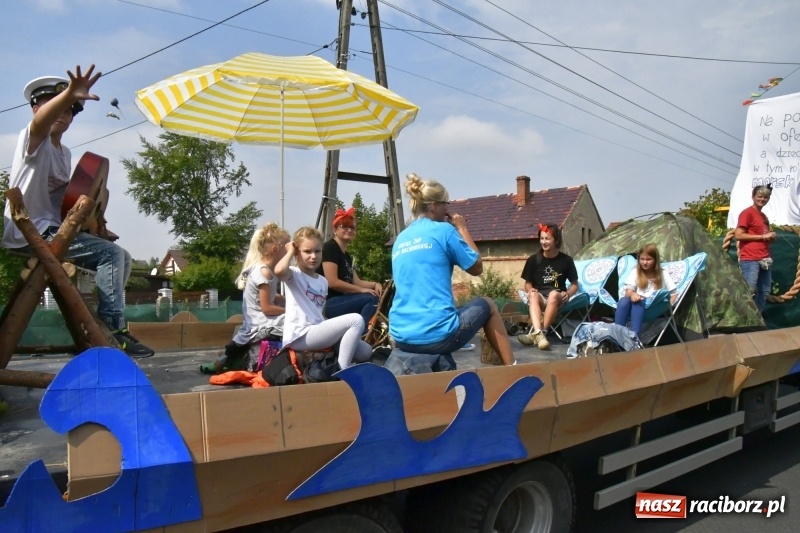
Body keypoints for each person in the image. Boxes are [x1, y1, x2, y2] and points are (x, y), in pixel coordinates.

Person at [3, 65, 153, 357]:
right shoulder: (32, 139)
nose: (63, 113)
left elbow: (71, 201)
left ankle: (109, 328)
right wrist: (70, 92)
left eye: (71, 109)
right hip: (30, 230)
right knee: (111, 255)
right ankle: (113, 328)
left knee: (120, 255)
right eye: (54, 105)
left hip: (52, 228)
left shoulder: (66, 154)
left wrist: (96, 221)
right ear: (36, 108)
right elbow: (40, 125)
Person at [388, 173, 516, 366]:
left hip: (401, 336)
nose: (448, 208)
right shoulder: (444, 231)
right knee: (488, 304)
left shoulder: (401, 238)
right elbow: (477, 267)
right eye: (445, 203)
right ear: (433, 206)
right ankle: (513, 369)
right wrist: (462, 228)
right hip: (437, 336)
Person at [275, 226, 372, 370]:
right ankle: (343, 369)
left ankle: (335, 362)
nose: (313, 256)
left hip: (316, 331)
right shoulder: (294, 274)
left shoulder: (322, 281)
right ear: (297, 252)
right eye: (307, 251)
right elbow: (279, 270)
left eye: (317, 251)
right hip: (300, 335)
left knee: (365, 351)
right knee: (356, 320)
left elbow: (320, 313)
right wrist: (290, 251)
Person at [201, 223, 289, 374]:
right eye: (287, 248)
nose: (289, 253)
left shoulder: (266, 270)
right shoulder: (264, 272)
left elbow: (259, 295)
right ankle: (227, 359)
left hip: (258, 317)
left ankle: (227, 357)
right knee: (293, 320)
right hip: (259, 321)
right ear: (276, 249)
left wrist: (277, 296)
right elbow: (266, 308)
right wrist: (287, 310)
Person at [317, 206, 382, 333]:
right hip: (327, 303)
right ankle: (361, 335)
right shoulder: (330, 248)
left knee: (378, 296)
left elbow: (356, 282)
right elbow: (332, 282)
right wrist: (362, 290)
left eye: (352, 228)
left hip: (341, 300)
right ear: (335, 229)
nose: (349, 230)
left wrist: (375, 284)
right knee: (370, 298)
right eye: (344, 227)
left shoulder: (346, 255)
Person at [518, 223, 579, 350]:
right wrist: (530, 289)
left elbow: (574, 285)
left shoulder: (566, 260)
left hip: (557, 298)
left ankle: (540, 333)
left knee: (553, 294)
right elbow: (527, 284)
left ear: (556, 240)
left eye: (547, 239)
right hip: (540, 297)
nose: (543, 242)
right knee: (533, 295)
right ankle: (540, 335)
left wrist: (567, 293)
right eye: (541, 238)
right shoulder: (533, 260)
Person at [614, 243, 677, 335]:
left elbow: (674, 294)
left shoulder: (663, 274)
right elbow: (628, 292)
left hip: (653, 308)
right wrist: (633, 295)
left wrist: (666, 307)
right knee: (624, 301)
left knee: (638, 302)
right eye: (642, 259)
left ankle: (634, 336)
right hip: (635, 308)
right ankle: (617, 334)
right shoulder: (635, 272)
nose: (644, 262)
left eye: (648, 259)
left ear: (655, 260)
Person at [736, 184, 776, 313]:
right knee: (750, 290)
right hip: (750, 258)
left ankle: (755, 319)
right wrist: (763, 236)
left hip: (764, 257)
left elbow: (762, 236)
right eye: (760, 196)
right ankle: (744, 319)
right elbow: (738, 235)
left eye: (766, 197)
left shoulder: (763, 216)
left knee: (764, 291)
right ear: (753, 197)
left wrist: (770, 237)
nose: (762, 199)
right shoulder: (747, 213)